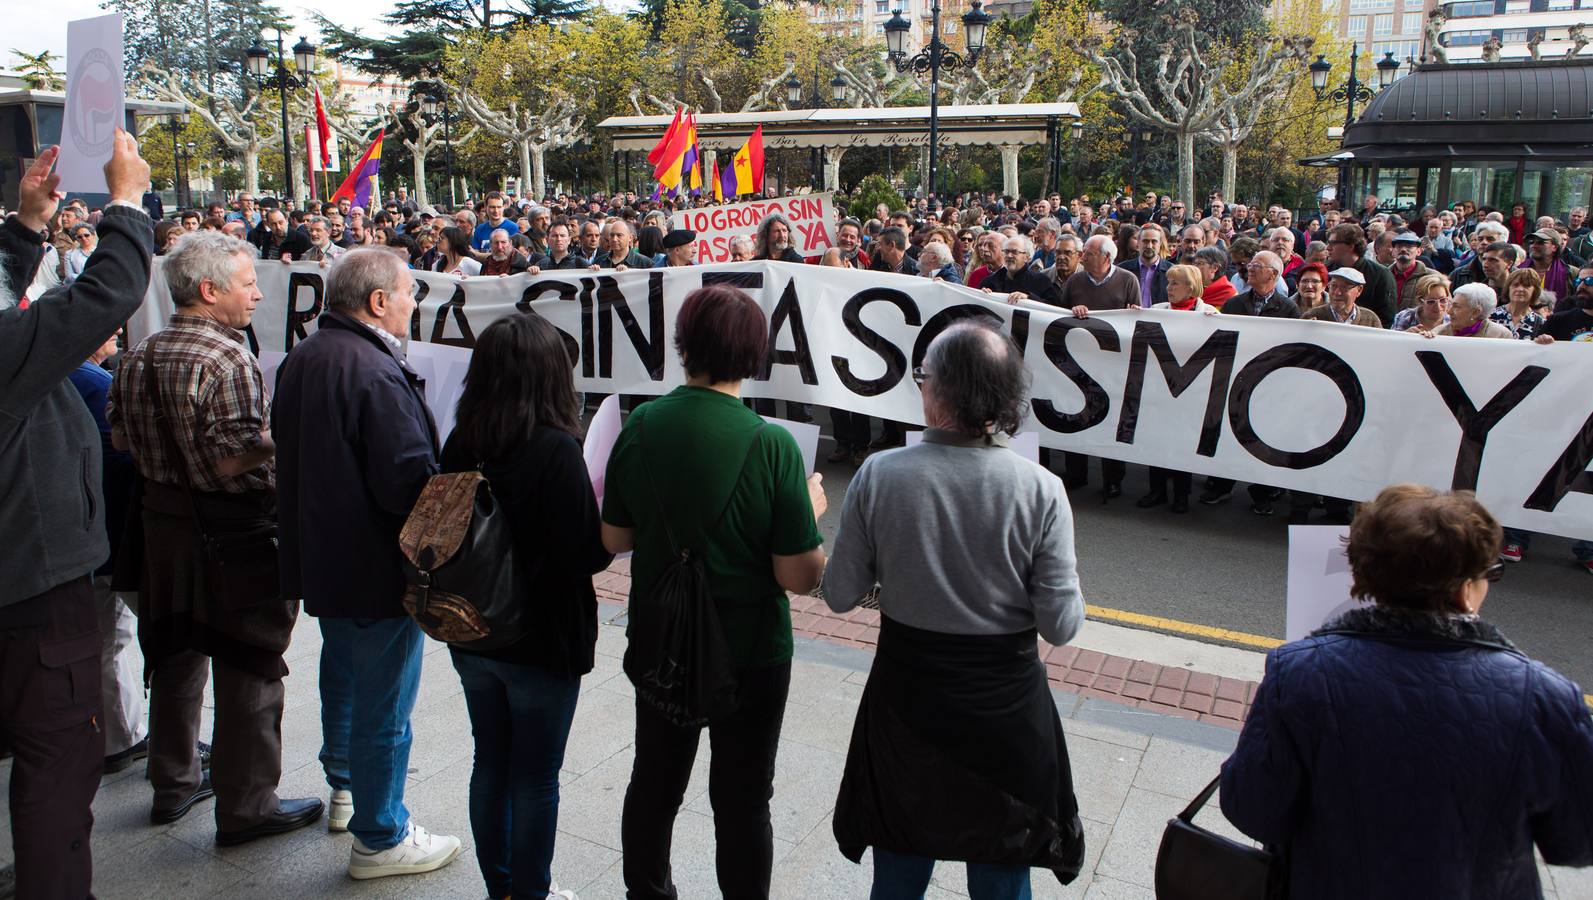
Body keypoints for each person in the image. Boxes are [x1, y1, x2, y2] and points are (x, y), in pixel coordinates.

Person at [1220, 484, 1593, 898]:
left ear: (1364, 574)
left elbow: (1252, 810)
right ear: (1465, 587)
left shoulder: (1301, 673)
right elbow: (1577, 841)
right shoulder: (1545, 696)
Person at [822, 321, 1087, 898]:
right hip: (1004, 710)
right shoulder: (1040, 489)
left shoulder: (880, 474)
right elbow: (1062, 626)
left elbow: (839, 594)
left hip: (907, 702)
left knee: (899, 865)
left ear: (936, 391)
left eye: (923, 378)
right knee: (1001, 864)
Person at [601, 285, 827, 900]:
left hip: (663, 637)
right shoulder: (773, 445)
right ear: (754, 356)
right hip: (750, 651)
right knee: (744, 798)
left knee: (655, 780)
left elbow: (615, 536)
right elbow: (798, 575)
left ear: (684, 347)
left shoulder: (642, 424)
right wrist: (809, 508)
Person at [109, 229, 324, 844]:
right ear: (209, 290)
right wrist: (284, 439)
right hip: (234, 532)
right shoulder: (229, 357)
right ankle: (247, 805)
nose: (257, 293)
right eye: (247, 282)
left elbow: (121, 439)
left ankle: (172, 783)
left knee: (174, 656)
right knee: (251, 664)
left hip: (160, 526)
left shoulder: (139, 352)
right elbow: (234, 457)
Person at [273, 248, 462, 879]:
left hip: (326, 559)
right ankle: (379, 836)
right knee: (384, 703)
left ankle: (348, 791)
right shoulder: (374, 371)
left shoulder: (307, 355)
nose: (415, 303)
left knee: (344, 676)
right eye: (410, 292)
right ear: (378, 301)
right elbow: (408, 482)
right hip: (376, 569)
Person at [0, 134, 156, 900]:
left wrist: (27, 228)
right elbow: (103, 296)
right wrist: (125, 201)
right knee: (57, 762)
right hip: (31, 586)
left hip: (23, 573)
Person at [443, 314, 612, 900]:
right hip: (540, 638)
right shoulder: (556, 450)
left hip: (470, 627)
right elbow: (585, 555)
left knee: (490, 760)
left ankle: (504, 887)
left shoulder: (462, 439)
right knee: (535, 777)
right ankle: (530, 892)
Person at [70, 331, 150, 776]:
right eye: (108, 327)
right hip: (110, 532)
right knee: (115, 636)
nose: (118, 333)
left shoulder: (77, 378)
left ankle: (117, 730)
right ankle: (122, 736)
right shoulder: (93, 383)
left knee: (105, 634)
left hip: (89, 533)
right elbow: (119, 457)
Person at [1140, 264, 1216, 514]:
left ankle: (1181, 495)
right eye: (1169, 283)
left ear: (1191, 287)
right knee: (1157, 440)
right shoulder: (1156, 311)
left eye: (1175, 284)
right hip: (1159, 388)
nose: (1168, 288)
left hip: (1189, 391)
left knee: (1182, 443)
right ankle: (1157, 490)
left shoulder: (1210, 314)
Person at [1325, 223, 1396, 327]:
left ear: (1350, 246)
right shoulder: (1326, 270)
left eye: (1333, 243)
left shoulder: (1380, 274)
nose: (1328, 248)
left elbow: (1387, 317)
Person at [1422, 283, 1512, 339]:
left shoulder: (1500, 336)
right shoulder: (1439, 332)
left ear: (1476, 312)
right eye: (1451, 305)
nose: (1449, 312)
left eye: (1456, 307)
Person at [1304, 267, 1383, 327]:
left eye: (1345, 287)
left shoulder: (1371, 319)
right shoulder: (1312, 316)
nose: (1338, 293)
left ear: (1359, 290)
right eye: (1334, 286)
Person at [1119, 224, 1170, 307]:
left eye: (1154, 241)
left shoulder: (1171, 272)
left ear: (1160, 243)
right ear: (1138, 242)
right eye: (1145, 241)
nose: (1149, 246)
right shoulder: (1122, 270)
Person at [1491, 267, 1547, 340]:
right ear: (1508, 288)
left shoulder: (1540, 323)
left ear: (1535, 291)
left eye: (1526, 285)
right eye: (1515, 285)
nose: (1520, 289)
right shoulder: (1491, 316)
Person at [1389, 231, 1436, 310]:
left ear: (1419, 251)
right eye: (1399, 246)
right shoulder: (1383, 275)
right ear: (1393, 251)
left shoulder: (1431, 278)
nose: (1403, 249)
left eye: (1409, 246)